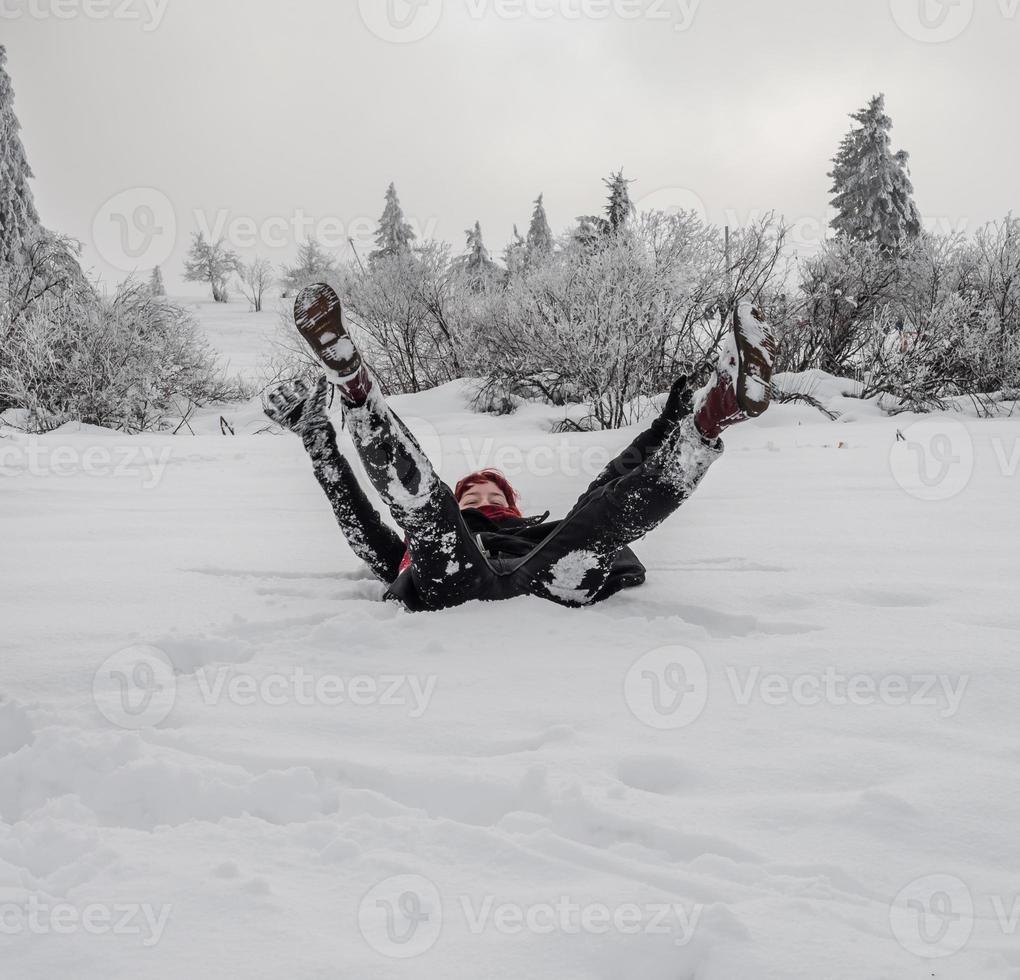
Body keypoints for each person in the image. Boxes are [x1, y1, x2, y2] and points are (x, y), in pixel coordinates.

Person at [263, 289, 775, 612]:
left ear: (511, 502)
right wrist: (317, 438)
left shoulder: (540, 531)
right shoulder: (422, 540)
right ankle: (355, 387)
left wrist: (670, 422)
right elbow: (357, 517)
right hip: (453, 581)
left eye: (490, 486)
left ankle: (715, 415)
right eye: (472, 488)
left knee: (603, 510)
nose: (480, 489)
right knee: (423, 511)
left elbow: (621, 475)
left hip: (552, 576)